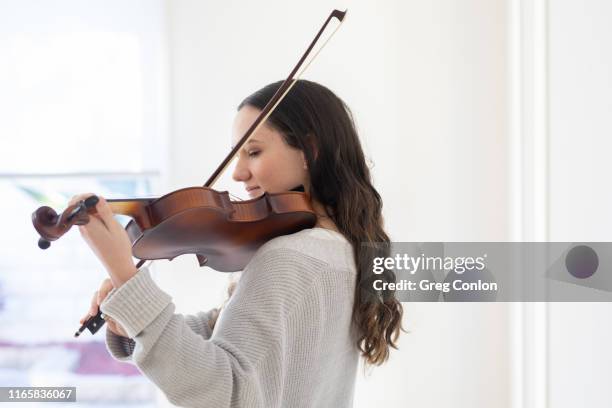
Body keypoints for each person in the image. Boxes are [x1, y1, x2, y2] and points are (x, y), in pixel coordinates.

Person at [72, 79, 403, 407]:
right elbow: (231, 336)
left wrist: (124, 274)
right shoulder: (348, 251)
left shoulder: (289, 256)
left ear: (310, 152)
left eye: (254, 152)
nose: (238, 173)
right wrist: (132, 320)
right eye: (236, 155)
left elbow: (224, 392)